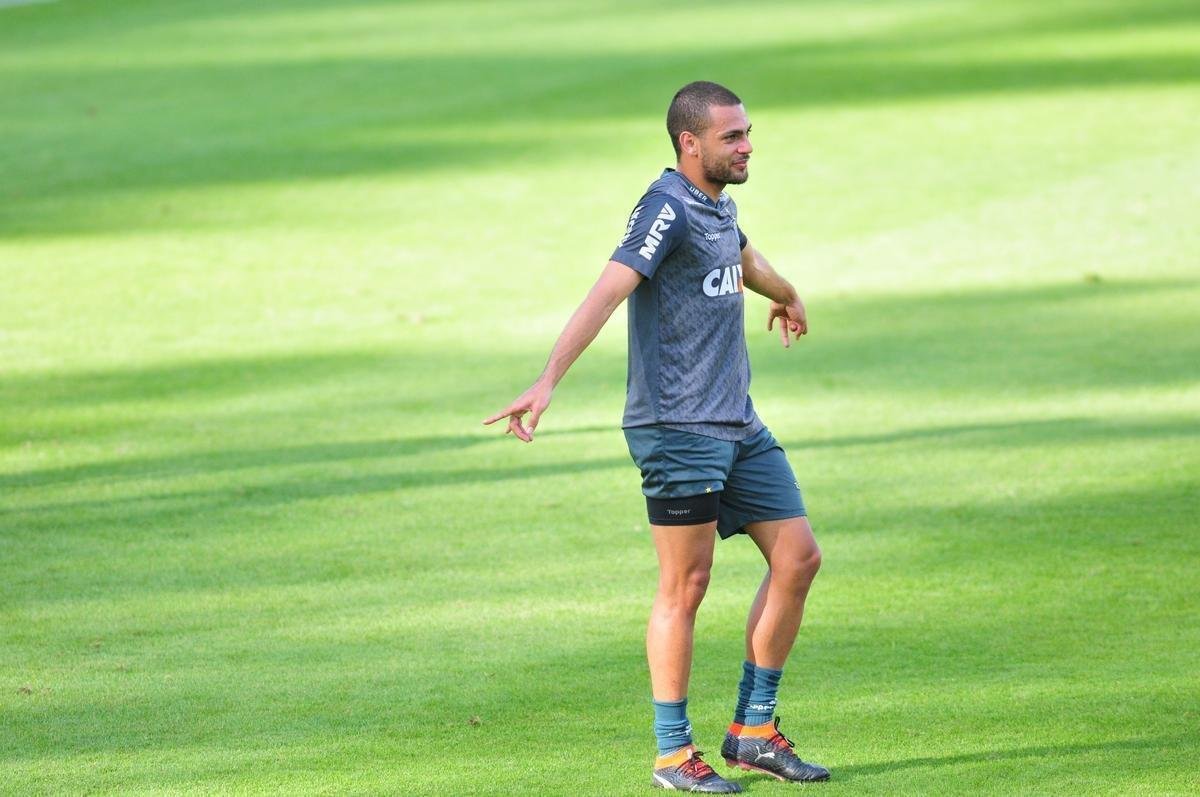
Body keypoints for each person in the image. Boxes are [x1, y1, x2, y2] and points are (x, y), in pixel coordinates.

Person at [484, 81, 829, 792]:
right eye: (733, 136)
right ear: (689, 143)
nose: (747, 146)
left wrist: (787, 292)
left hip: (736, 421)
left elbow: (742, 256)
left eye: (748, 132)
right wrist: (547, 379)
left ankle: (753, 732)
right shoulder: (664, 207)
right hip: (677, 427)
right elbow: (609, 289)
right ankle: (674, 754)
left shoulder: (717, 204)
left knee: (798, 558)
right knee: (686, 584)